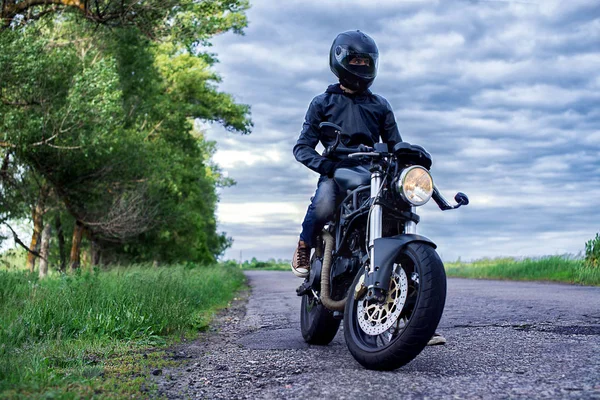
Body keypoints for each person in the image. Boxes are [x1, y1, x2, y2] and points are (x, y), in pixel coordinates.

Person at [291, 30, 446, 346]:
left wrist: (411, 155)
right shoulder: (323, 102)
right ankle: (305, 245)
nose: (361, 64)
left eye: (366, 60)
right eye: (355, 59)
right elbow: (302, 147)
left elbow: (395, 143)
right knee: (323, 203)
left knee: (398, 212)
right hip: (337, 172)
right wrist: (329, 166)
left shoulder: (380, 105)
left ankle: (410, 319)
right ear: (340, 60)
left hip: (376, 173)